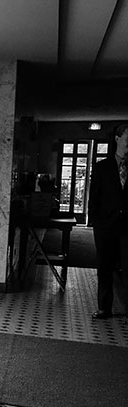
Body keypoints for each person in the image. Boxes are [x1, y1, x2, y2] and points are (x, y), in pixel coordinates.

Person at [88, 123, 128, 320]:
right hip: (106, 225)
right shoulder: (102, 167)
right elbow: (93, 196)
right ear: (118, 139)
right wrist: (95, 221)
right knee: (105, 268)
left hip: (127, 226)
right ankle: (104, 308)